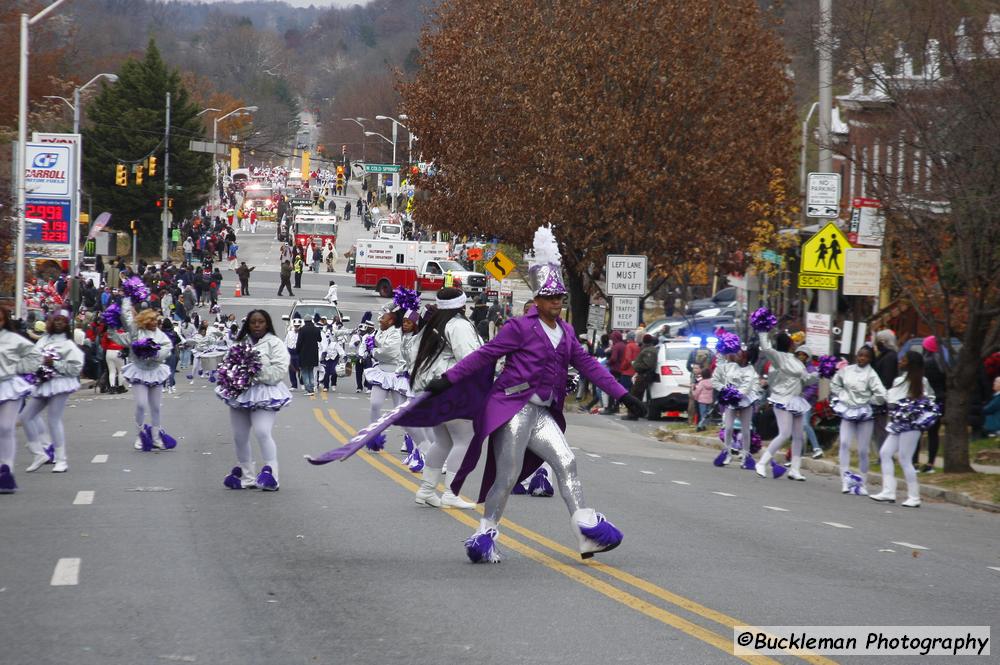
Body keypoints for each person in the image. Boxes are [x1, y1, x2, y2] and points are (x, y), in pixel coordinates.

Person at [415, 226, 646, 562]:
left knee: (567, 462)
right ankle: (484, 535)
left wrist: (623, 396)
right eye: (551, 298)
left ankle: (586, 532)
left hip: (542, 412)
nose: (557, 303)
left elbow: (590, 367)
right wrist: (448, 379)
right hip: (512, 408)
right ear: (538, 300)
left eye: (560, 298)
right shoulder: (519, 327)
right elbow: (485, 355)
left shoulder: (566, 333)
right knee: (507, 476)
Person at [411, 288, 482, 509]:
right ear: (461, 305)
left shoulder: (432, 325)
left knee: (443, 441)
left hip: (434, 389)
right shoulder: (459, 325)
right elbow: (470, 359)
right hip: (454, 388)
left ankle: (426, 490)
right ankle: (451, 493)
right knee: (464, 440)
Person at [218, 310, 292, 491]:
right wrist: (233, 374)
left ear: (267, 324)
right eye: (253, 322)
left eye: (261, 322)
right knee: (239, 436)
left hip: (264, 394)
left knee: (262, 432)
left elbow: (280, 371)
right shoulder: (239, 343)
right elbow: (227, 364)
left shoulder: (275, 343)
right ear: (248, 324)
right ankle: (247, 475)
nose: (257, 325)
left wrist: (254, 371)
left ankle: (271, 475)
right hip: (240, 393)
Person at [871, 351, 936, 507]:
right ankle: (889, 491)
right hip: (898, 423)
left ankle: (914, 496)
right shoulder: (899, 380)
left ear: (911, 363)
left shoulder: (922, 381)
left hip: (912, 425)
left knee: (905, 459)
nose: (900, 361)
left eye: (904, 359)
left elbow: (929, 401)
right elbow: (891, 399)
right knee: (885, 453)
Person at [755, 331, 818, 481]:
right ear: (791, 347)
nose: (801, 354)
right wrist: (763, 332)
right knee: (785, 434)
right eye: (794, 343)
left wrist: (820, 373)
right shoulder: (781, 358)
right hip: (782, 399)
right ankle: (762, 463)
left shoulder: (799, 364)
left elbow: (807, 380)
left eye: (805, 355)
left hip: (796, 401)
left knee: (798, 436)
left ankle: (795, 469)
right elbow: (766, 348)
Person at [118, 295, 177, 451]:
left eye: (156, 320)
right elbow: (126, 318)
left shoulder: (160, 334)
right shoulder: (136, 332)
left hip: (155, 371)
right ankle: (140, 435)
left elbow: (167, 347)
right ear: (145, 321)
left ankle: (156, 437)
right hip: (139, 371)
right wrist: (126, 299)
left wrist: (155, 353)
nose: (155, 323)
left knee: (156, 407)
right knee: (141, 404)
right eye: (151, 320)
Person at [830, 345, 887, 495]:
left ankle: (862, 483)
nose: (862, 358)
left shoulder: (872, 375)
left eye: (866, 356)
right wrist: (843, 396)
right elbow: (835, 384)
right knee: (844, 443)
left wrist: (869, 401)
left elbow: (882, 394)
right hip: (847, 411)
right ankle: (845, 481)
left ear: (870, 359)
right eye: (860, 355)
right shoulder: (847, 370)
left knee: (863, 450)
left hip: (864, 415)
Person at [0, 306, 42, 492]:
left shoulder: (14, 339)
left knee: (6, 427)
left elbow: (35, 357)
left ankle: (6, 469)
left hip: (9, 387)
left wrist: (17, 369)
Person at [362, 305, 405, 450]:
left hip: (396, 374)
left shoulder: (397, 333)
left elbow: (389, 352)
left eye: (383, 317)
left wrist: (373, 349)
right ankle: (374, 437)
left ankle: (410, 439)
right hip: (381, 372)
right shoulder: (380, 331)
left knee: (400, 410)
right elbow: (375, 345)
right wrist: (371, 344)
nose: (380, 319)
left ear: (391, 321)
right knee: (375, 404)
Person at [712, 344, 760, 462]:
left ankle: (745, 455)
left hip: (745, 401)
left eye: (738, 355)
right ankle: (727, 453)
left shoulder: (750, 370)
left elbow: (747, 387)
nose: (735, 356)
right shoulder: (730, 366)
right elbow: (718, 373)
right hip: (731, 401)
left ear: (744, 358)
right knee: (728, 428)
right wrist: (725, 390)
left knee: (745, 430)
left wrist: (736, 394)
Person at [918, 336, 948, 473]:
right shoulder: (943, 363)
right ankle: (930, 463)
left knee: (918, 431)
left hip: (925, 400)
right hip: (940, 400)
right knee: (933, 433)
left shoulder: (925, 364)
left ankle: (914, 461)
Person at [622, 334, 659, 421]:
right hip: (644, 375)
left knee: (635, 395)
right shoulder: (650, 349)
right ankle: (638, 412)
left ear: (644, 341)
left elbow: (648, 364)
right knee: (639, 395)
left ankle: (633, 414)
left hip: (644, 375)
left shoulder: (649, 351)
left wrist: (636, 365)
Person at [296, 315, 322, 396]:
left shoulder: (302, 329)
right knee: (311, 371)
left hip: (304, 353)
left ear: (305, 321)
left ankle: (309, 389)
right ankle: (312, 388)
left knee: (304, 371)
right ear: (311, 321)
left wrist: (297, 351)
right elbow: (319, 339)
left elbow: (299, 342)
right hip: (314, 353)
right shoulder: (316, 329)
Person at [284, 315, 302, 391]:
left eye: (298, 326)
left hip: (298, 352)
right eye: (295, 326)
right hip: (290, 352)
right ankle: (294, 385)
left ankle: (302, 383)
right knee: (291, 369)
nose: (296, 327)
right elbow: (286, 342)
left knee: (300, 368)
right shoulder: (289, 333)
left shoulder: (302, 333)